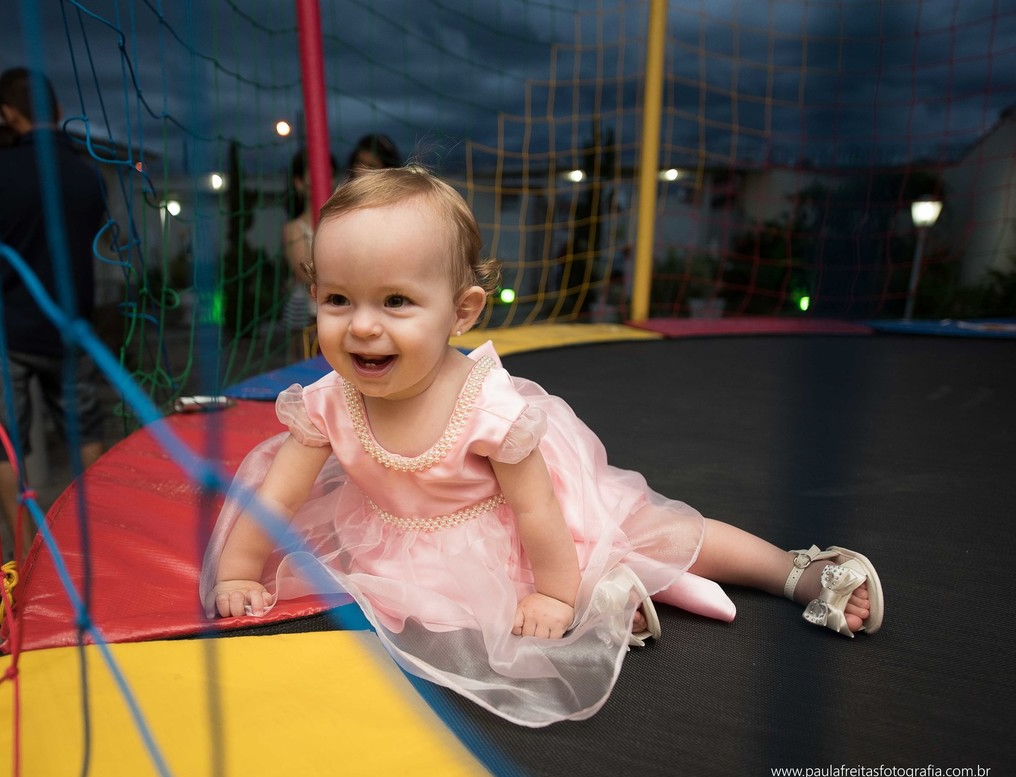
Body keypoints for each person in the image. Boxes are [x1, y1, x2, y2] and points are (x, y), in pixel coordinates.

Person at [198, 166, 883, 727]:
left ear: (461, 311)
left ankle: (791, 572)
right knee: (462, 610)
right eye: (339, 300)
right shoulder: (327, 401)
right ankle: (617, 595)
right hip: (407, 541)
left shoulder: (489, 407)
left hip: (531, 526)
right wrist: (238, 571)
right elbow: (278, 493)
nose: (363, 328)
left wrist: (555, 595)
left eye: (397, 302)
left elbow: (536, 517)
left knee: (653, 529)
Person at [0, 68, 109, 554]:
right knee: (84, 430)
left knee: (7, 440)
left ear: (8, 113)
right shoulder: (87, 175)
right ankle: (94, 540)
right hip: (70, 325)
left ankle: (23, 557)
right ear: (58, 110)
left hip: (7, 327)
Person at [281, 150, 335, 359]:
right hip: (306, 314)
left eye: (327, 175)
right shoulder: (295, 228)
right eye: (312, 176)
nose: (322, 181)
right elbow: (306, 273)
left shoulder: (340, 224)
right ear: (299, 183)